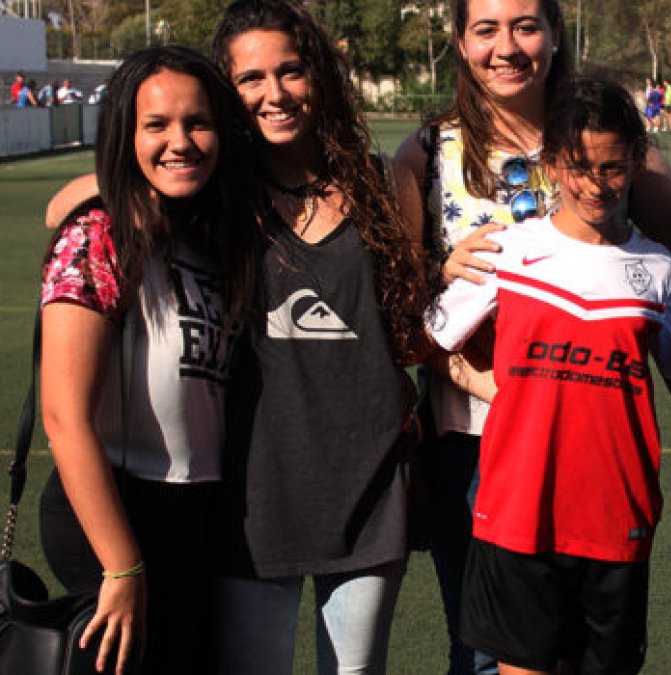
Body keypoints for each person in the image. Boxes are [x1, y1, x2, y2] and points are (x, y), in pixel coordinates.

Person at [389, 1, 671, 671]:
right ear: (460, 41)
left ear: (555, 34)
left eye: (526, 26)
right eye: (486, 29)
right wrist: (444, 284)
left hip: (587, 451)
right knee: (483, 654)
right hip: (470, 445)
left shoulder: (610, 140)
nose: (507, 47)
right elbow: (403, 311)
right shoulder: (426, 151)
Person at [208, 1, 437, 673]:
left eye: (291, 70)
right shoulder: (215, 192)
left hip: (368, 487)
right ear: (226, 90)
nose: (275, 93)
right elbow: (75, 201)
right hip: (252, 495)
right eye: (250, 78)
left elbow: (408, 332)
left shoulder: (386, 183)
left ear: (319, 75)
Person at [38, 45, 258, 675]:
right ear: (125, 135)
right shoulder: (99, 233)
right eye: (156, 125)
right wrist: (121, 565)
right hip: (120, 511)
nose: (180, 142)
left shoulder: (210, 233)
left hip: (196, 512)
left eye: (198, 122)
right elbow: (64, 417)